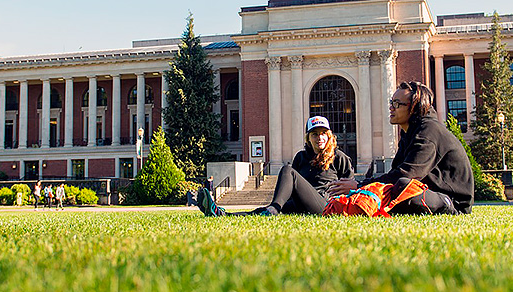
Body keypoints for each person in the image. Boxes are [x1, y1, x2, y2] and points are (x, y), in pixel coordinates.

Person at [329, 81, 474, 214]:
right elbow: (395, 172)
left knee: (402, 185)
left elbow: (406, 174)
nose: (391, 108)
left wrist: (359, 185)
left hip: (453, 202)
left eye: (397, 104)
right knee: (395, 187)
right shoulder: (409, 133)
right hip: (427, 192)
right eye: (391, 102)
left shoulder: (429, 132)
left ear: (415, 107)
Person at [197, 116, 354, 216]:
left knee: (287, 171)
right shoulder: (301, 157)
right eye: (315, 134)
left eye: (323, 133)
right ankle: (221, 213)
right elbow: (292, 187)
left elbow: (351, 188)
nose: (320, 137)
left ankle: (274, 208)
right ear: (308, 138)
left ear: (329, 136)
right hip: (301, 203)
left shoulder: (339, 157)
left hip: (325, 205)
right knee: (264, 210)